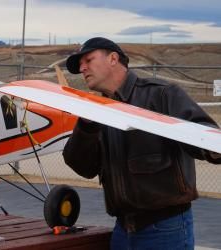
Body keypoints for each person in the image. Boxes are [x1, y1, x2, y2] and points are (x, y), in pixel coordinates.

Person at [62, 37, 221, 249]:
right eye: (80, 64)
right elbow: (83, 167)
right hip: (122, 230)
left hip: (165, 229)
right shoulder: (96, 110)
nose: (82, 68)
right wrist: (87, 125)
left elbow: (204, 135)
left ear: (113, 59)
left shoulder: (162, 93)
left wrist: (212, 148)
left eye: (88, 60)